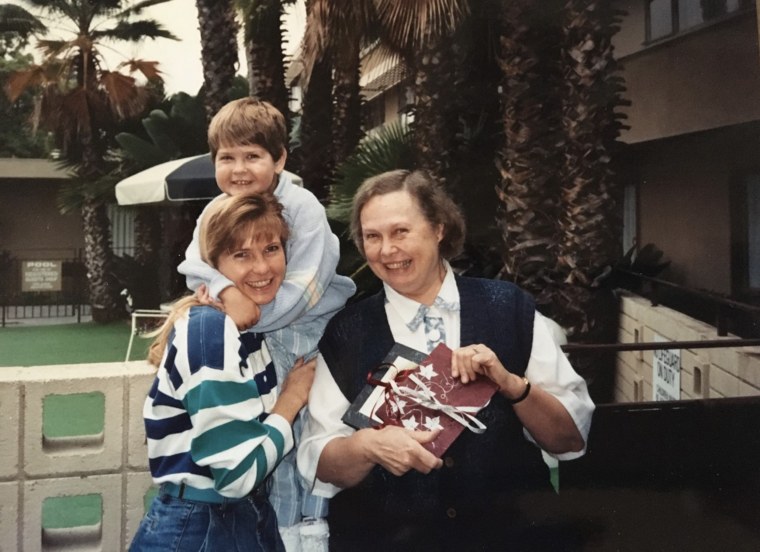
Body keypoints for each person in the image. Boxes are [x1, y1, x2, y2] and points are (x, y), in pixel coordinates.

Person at [298, 169, 595, 551]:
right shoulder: (347, 333)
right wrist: (369, 446)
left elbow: (570, 440)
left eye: (401, 231)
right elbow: (318, 461)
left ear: (439, 229)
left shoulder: (509, 309)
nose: (387, 250)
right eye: (373, 236)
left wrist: (511, 385)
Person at [177, 98, 355, 549]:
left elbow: (305, 287)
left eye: (252, 156)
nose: (239, 170)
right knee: (264, 434)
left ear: (279, 159)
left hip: (306, 330)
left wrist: (249, 315)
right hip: (252, 337)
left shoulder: (302, 206)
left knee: (302, 429)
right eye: (227, 158)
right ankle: (276, 532)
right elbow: (195, 266)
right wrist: (226, 294)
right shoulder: (217, 209)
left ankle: (310, 531)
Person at [131, 193, 315, 551]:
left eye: (271, 249)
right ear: (214, 266)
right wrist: (291, 400)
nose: (261, 268)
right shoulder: (211, 332)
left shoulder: (245, 329)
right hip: (202, 526)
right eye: (241, 255)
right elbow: (237, 474)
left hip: (242, 519)